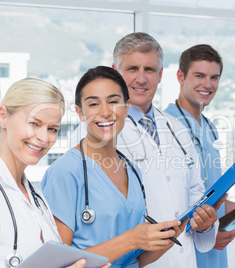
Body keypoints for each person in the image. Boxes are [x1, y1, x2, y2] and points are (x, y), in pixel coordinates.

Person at [71, 33, 221, 268]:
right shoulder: (98, 131)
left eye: (149, 70)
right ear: (115, 71)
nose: (141, 79)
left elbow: (196, 194)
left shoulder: (178, 129)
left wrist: (206, 222)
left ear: (160, 75)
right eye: (132, 69)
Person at [41, 66, 183, 268]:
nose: (105, 112)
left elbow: (134, 259)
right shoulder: (65, 172)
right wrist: (132, 239)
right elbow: (58, 263)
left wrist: (163, 241)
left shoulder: (133, 170)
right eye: (93, 104)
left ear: (126, 107)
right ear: (80, 113)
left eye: (113, 102)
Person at [0, 78, 110, 268]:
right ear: (3, 116)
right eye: (34, 123)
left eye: (52, 129)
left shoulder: (35, 196)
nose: (43, 137)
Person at [164, 44, 235, 267]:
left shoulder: (210, 128)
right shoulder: (165, 128)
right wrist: (207, 238)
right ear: (180, 76)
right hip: (185, 254)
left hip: (214, 255)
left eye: (214, 77)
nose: (208, 84)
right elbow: (167, 208)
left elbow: (213, 197)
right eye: (199, 76)